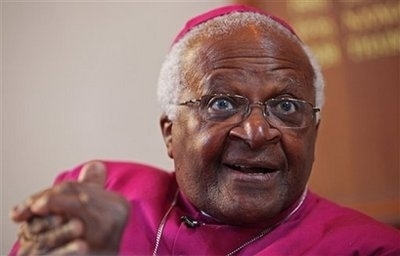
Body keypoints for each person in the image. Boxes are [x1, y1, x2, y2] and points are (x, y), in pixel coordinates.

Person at [9, 4, 400, 256]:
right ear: (169, 134)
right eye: (222, 103)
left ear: (313, 131)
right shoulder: (101, 197)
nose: (257, 131)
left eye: (285, 106)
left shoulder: (368, 248)